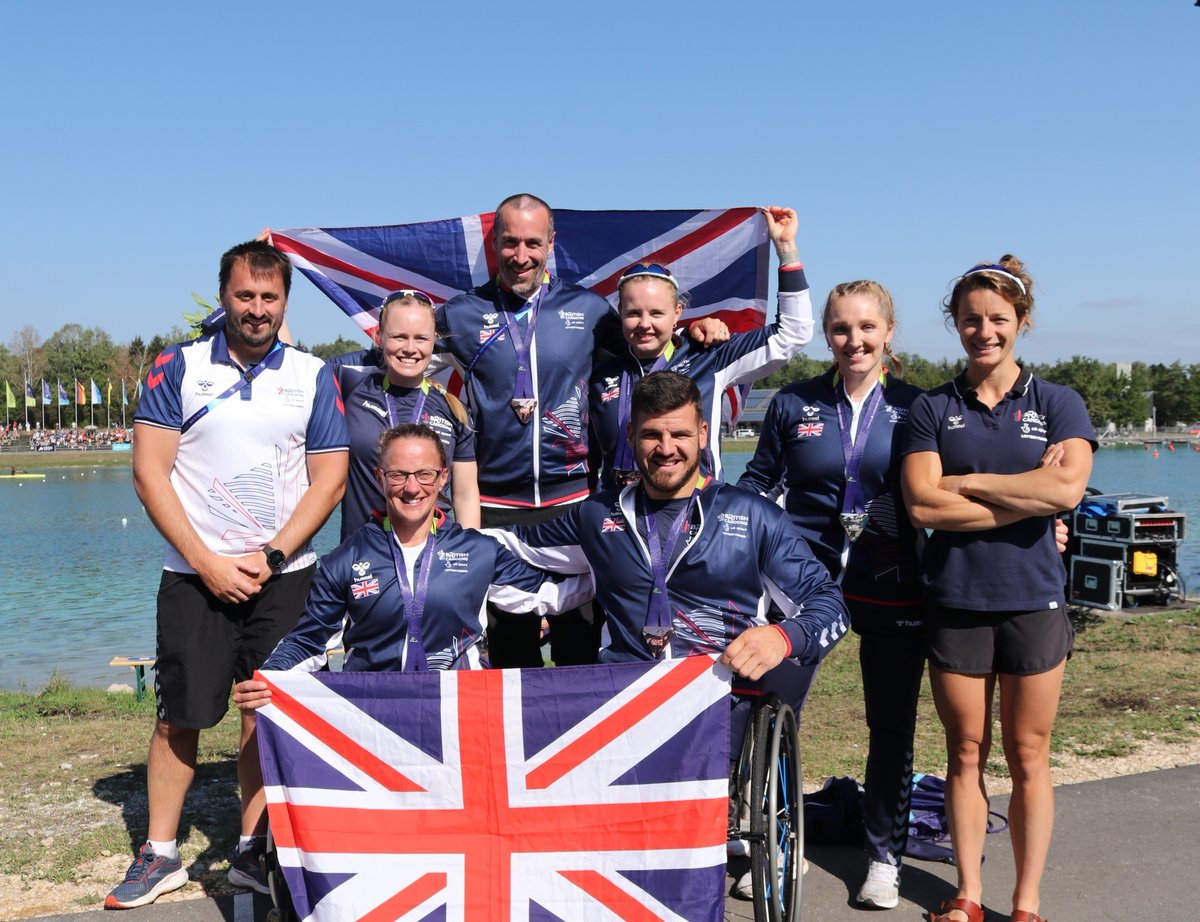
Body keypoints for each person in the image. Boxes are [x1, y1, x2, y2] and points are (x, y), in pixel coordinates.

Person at [105, 240, 349, 910]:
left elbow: (329, 481)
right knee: (180, 718)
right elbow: (148, 475)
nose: (257, 310)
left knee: (261, 716)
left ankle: (251, 850)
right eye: (245, 296)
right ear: (224, 295)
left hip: (286, 575)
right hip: (193, 574)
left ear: (285, 303)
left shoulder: (312, 374)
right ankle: (159, 855)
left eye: (270, 298)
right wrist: (208, 562)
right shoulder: (173, 367)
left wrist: (270, 558)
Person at [435, 193, 725, 668]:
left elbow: (646, 346)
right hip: (495, 510)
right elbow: (397, 347)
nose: (521, 255)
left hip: (574, 507)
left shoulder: (588, 311)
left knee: (580, 650)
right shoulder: (464, 313)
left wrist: (697, 328)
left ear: (551, 243)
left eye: (533, 242)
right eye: (510, 242)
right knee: (509, 654)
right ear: (494, 242)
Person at [900, 257, 1094, 922]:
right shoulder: (931, 407)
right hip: (956, 600)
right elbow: (924, 507)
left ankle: (1026, 903)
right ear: (955, 324)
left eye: (998, 320)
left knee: (1029, 754)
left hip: (1034, 601)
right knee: (964, 752)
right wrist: (1026, 497)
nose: (985, 331)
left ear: (1023, 322)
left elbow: (1067, 489)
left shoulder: (1058, 402)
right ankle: (969, 896)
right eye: (971, 320)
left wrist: (969, 482)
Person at [486, 370, 849, 718]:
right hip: (622, 704)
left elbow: (829, 604)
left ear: (703, 434)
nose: (666, 448)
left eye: (680, 434)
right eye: (651, 435)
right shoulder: (597, 515)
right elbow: (509, 545)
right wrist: (438, 536)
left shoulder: (755, 515)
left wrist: (783, 637)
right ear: (630, 436)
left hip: (720, 703)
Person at [737, 279, 924, 909]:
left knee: (890, 724)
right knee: (780, 710)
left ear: (889, 332)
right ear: (827, 333)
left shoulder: (916, 408)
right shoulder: (793, 403)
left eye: (867, 328)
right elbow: (757, 485)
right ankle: (781, 840)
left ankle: (883, 856)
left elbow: (952, 487)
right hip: (806, 586)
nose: (855, 340)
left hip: (892, 583)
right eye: (841, 328)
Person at [231, 425, 590, 701]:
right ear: (380, 479)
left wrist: (617, 577)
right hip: (372, 708)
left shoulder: (478, 550)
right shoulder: (345, 559)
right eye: (399, 475)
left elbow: (550, 594)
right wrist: (268, 676)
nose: (412, 488)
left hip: (458, 705)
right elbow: (310, 641)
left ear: (442, 478)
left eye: (424, 475)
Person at [589, 206, 812, 486]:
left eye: (657, 313)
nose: (645, 324)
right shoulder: (600, 370)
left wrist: (786, 249)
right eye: (634, 313)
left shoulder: (708, 355)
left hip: (695, 515)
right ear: (619, 312)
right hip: (620, 518)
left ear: (677, 312)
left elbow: (792, 334)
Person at [329, 289, 479, 539]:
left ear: (434, 341)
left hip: (434, 558)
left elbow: (465, 497)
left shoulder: (454, 409)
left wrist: (471, 556)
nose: (410, 348)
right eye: (399, 337)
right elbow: (288, 364)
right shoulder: (350, 383)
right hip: (363, 558)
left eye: (421, 338)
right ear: (379, 337)